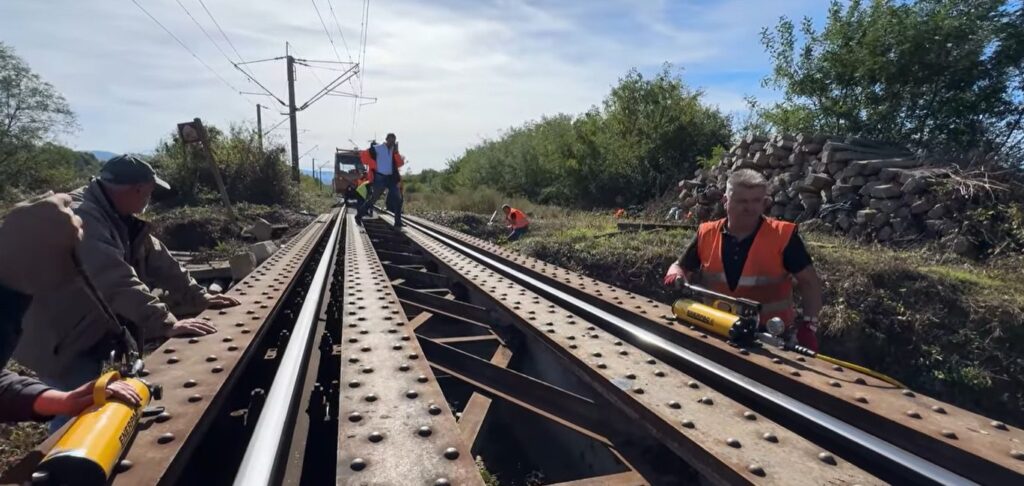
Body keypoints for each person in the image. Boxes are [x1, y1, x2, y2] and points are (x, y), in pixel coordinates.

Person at [15, 155, 239, 430]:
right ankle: (65, 465)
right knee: (76, 408)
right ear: (136, 189)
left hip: (86, 327)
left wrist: (198, 296)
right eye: (148, 192)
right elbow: (112, 279)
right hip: (61, 336)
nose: (149, 199)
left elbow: (160, 259)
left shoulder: (115, 214)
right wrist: (165, 322)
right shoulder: (83, 216)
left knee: (94, 398)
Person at [0, 193, 140, 424]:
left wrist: (60, 401)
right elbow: (116, 280)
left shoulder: (121, 221)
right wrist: (8, 278)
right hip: (58, 345)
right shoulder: (94, 217)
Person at [662, 169, 823, 351]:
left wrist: (809, 327)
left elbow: (810, 283)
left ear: (764, 203)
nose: (750, 208)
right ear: (725, 201)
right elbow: (680, 267)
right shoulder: (706, 233)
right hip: (717, 330)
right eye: (742, 201)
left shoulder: (783, 236)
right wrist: (675, 275)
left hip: (771, 339)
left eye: (756, 201)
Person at [355, 133, 404, 227]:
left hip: (391, 178)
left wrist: (396, 153)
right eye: (390, 141)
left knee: (398, 199)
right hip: (380, 178)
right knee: (373, 199)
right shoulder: (378, 148)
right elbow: (364, 156)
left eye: (393, 141)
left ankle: (398, 222)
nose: (392, 143)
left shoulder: (394, 150)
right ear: (386, 139)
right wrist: (373, 166)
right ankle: (358, 215)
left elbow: (400, 164)